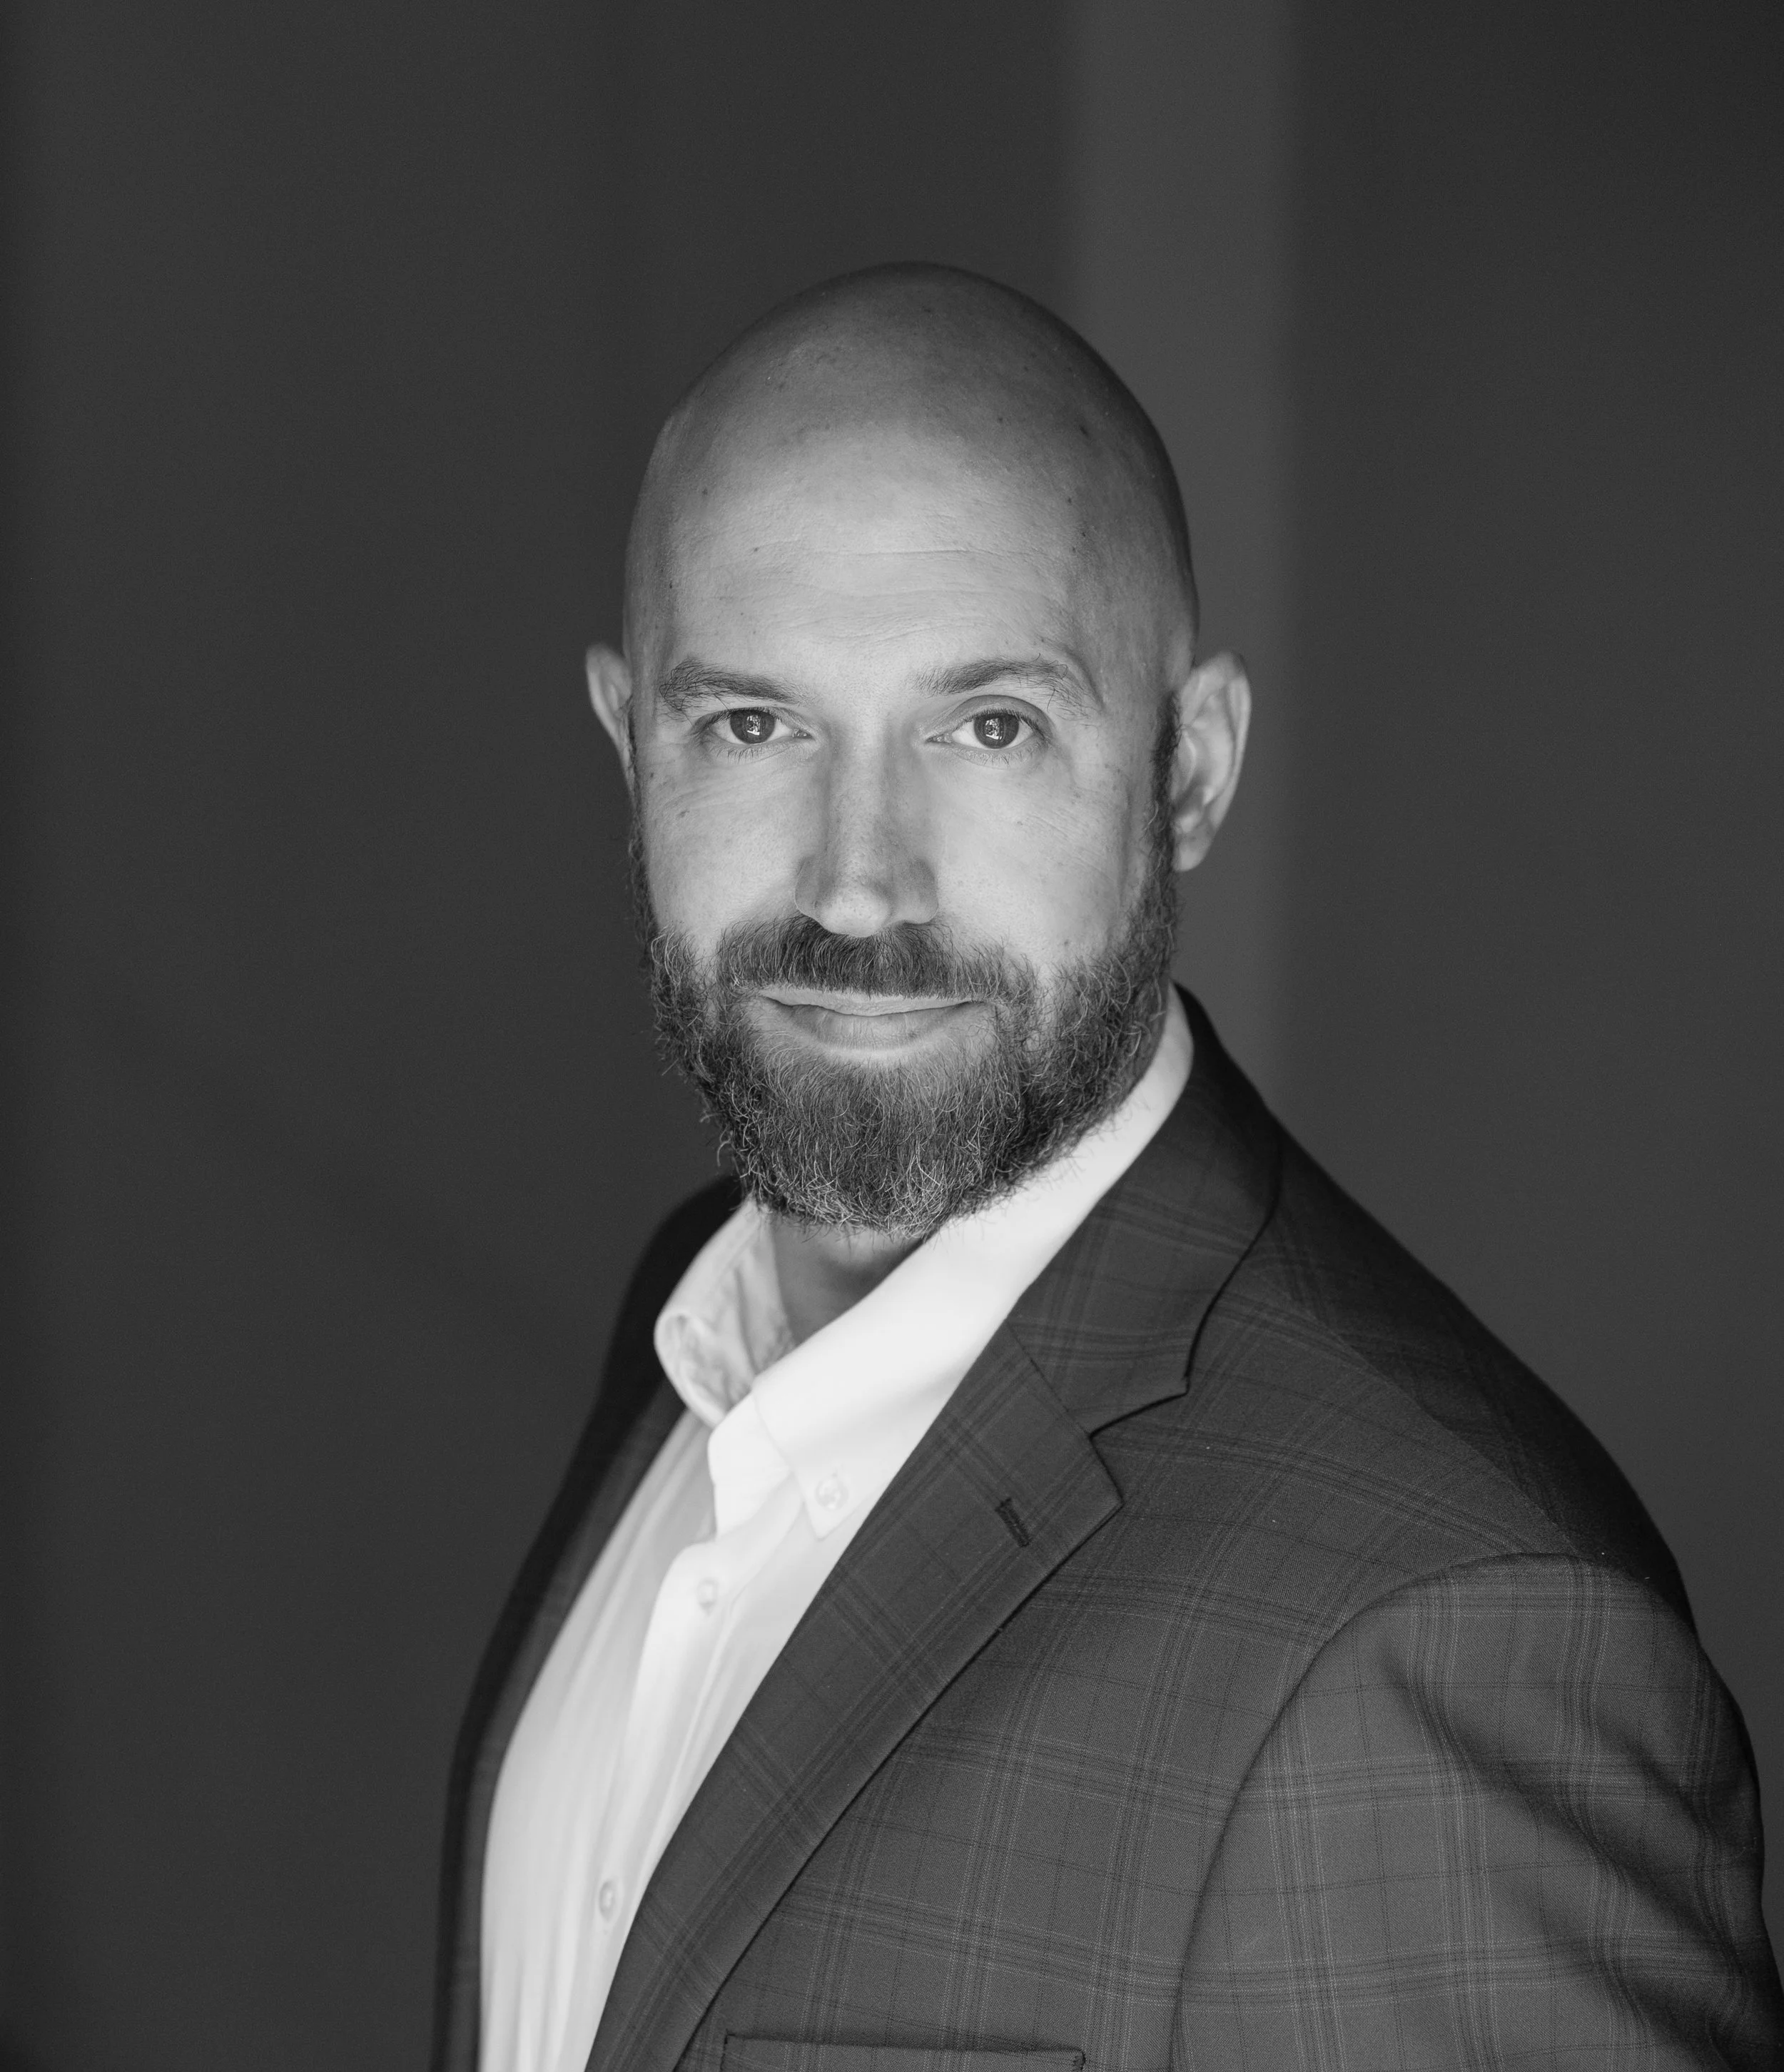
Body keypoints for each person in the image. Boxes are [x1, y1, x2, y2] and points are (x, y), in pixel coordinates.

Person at [430, 264, 1780, 2072]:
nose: (856, 884)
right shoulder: (684, 1337)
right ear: (628, 746)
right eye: (750, 726)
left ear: (1188, 772)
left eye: (989, 727)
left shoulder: (1438, 1637)